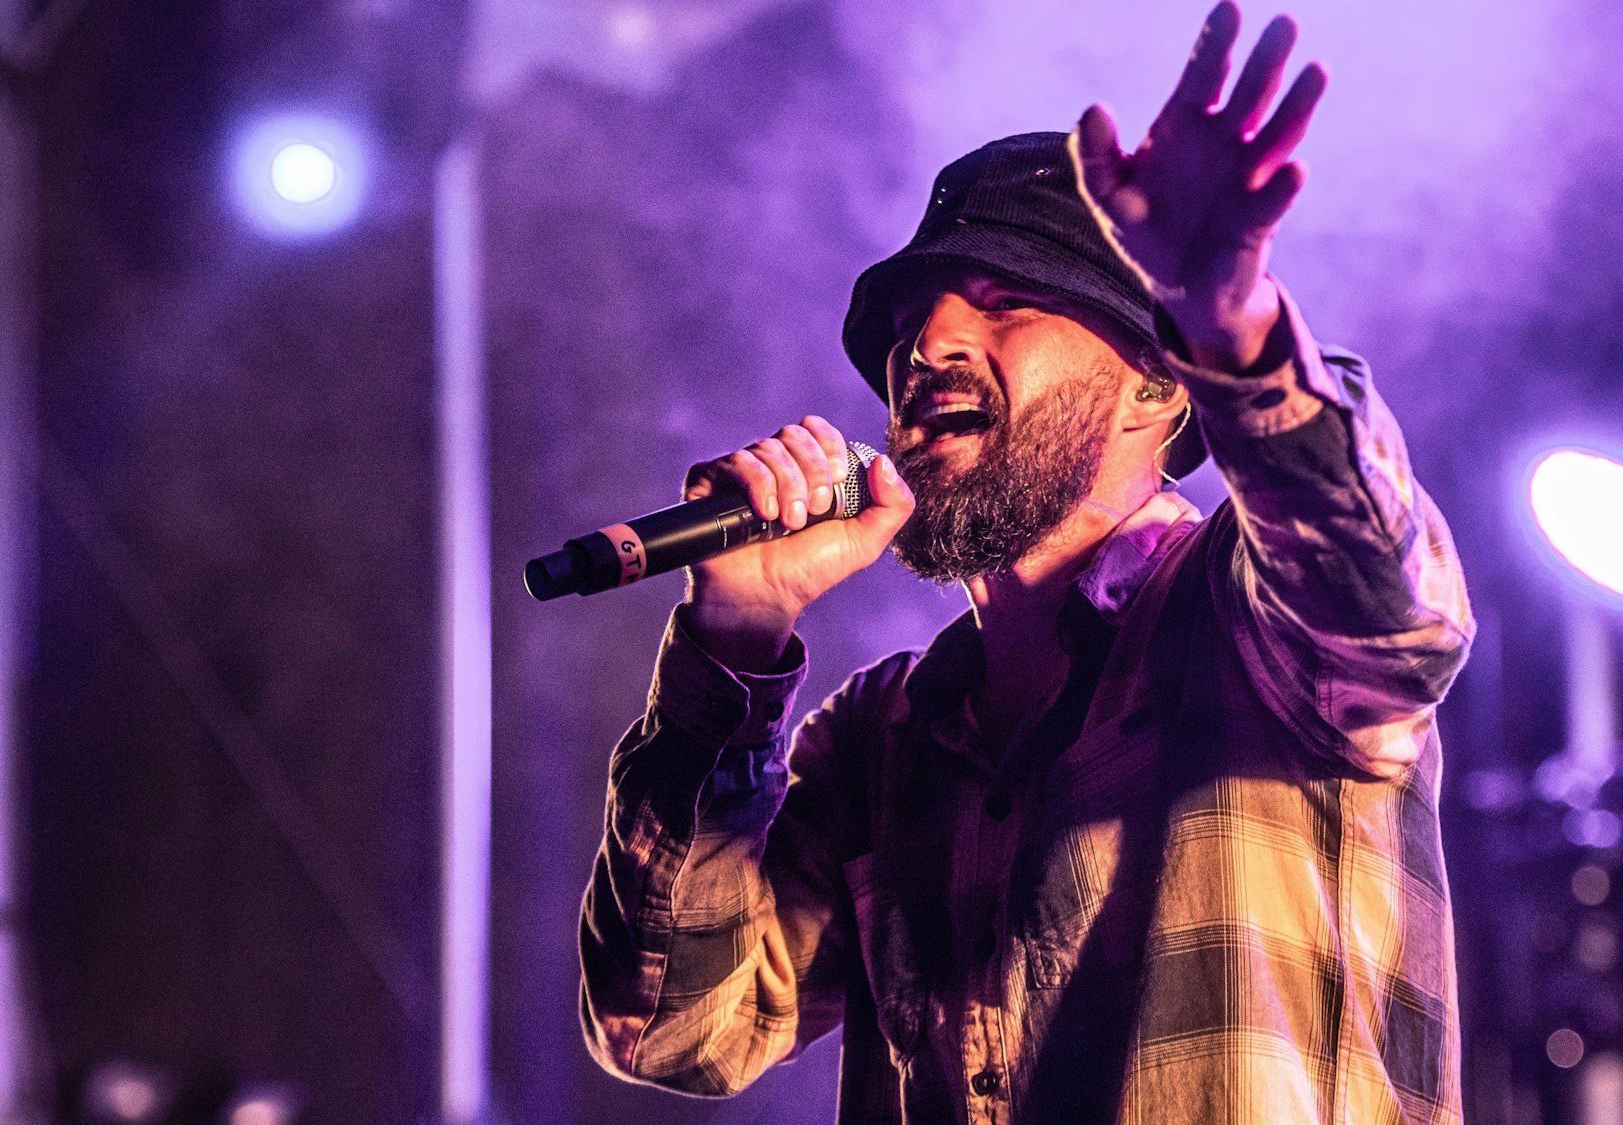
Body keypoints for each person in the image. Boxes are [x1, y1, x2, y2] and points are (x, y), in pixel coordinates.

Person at [577, 4, 1473, 1121]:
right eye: (910, 318)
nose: (928, 344)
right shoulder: (878, 744)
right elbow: (663, 1028)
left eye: (1003, 302)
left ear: (1157, 383)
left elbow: (1390, 609)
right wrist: (735, 640)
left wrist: (1234, 325)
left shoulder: (1248, 622)